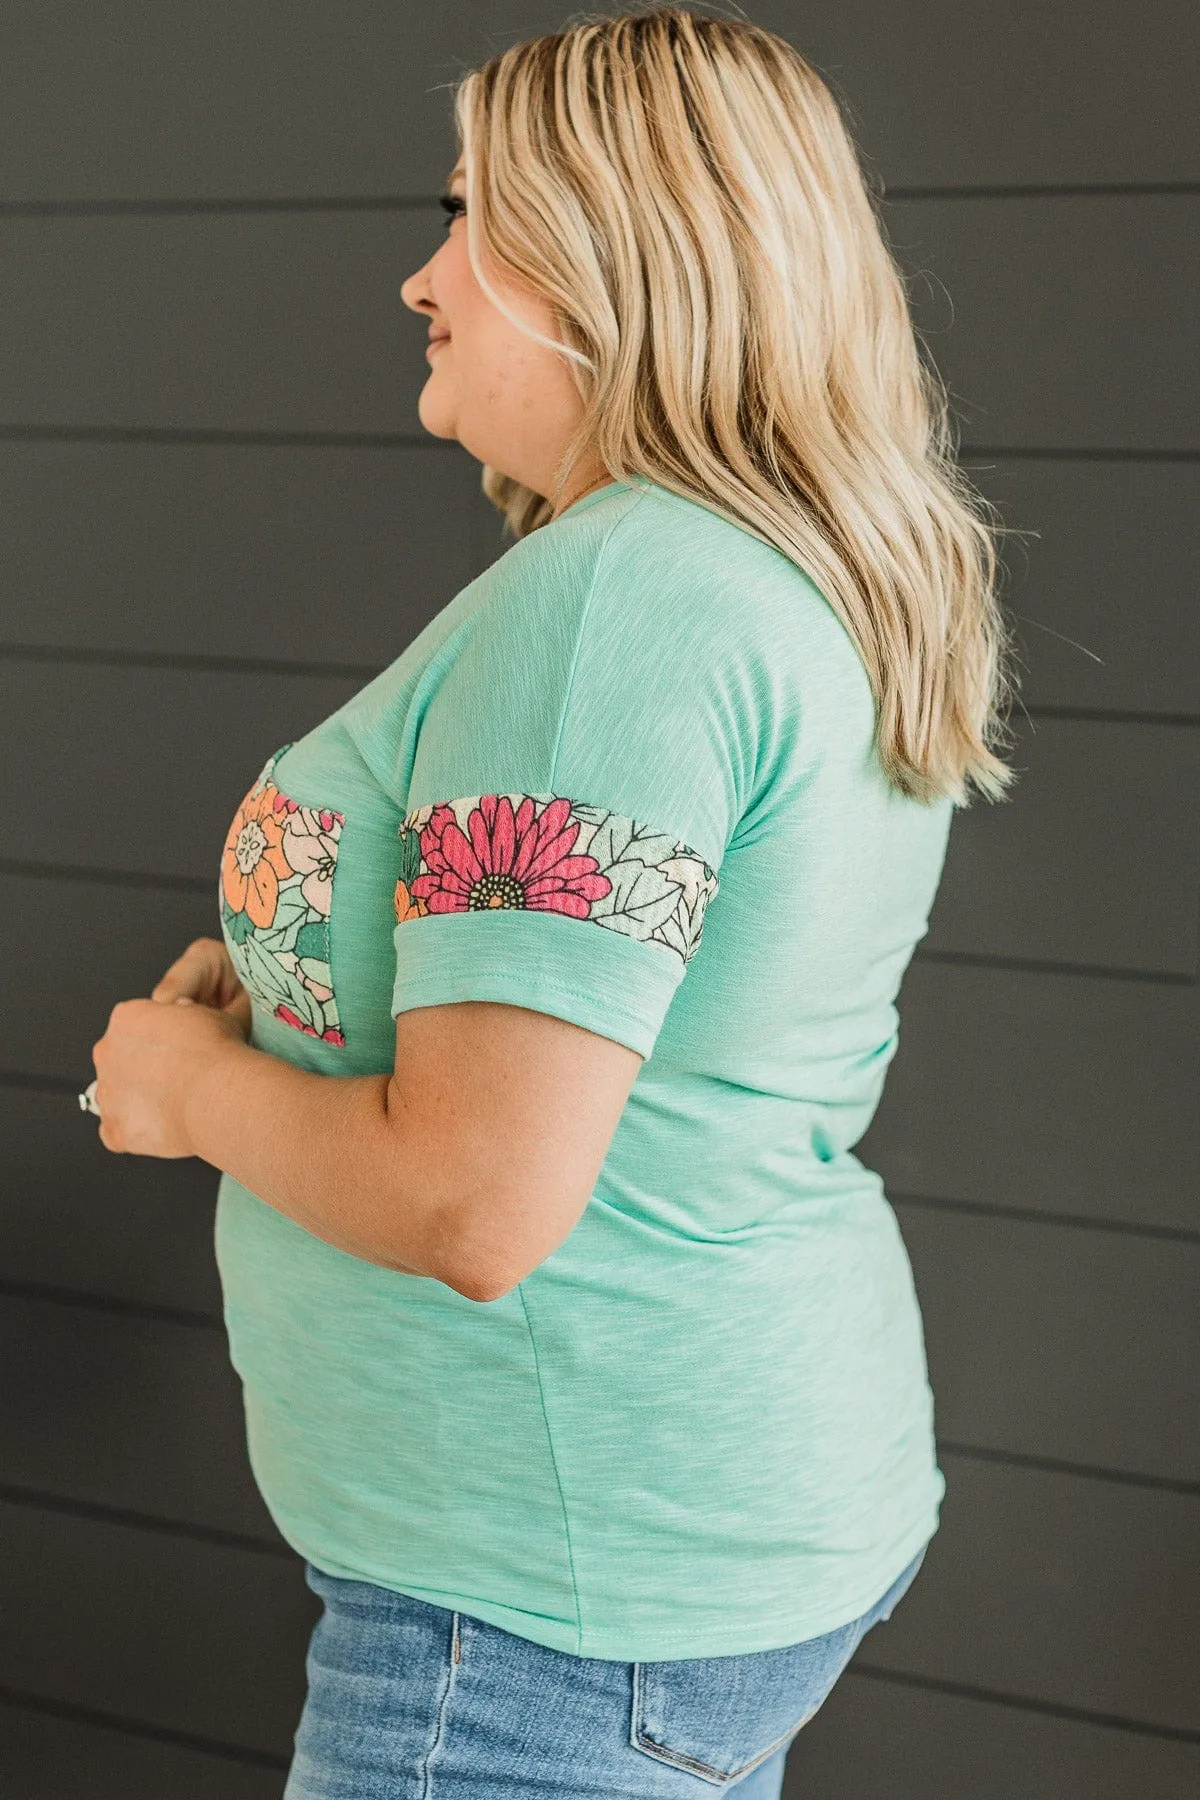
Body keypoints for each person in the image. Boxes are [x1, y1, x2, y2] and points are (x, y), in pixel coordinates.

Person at [84, 6, 1020, 1795]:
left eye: (468, 219)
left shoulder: (623, 610)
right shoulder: (754, 573)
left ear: (618, 253)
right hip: (657, 1541)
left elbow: (472, 1198)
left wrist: (190, 1085)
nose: (420, 281)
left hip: (542, 1608)